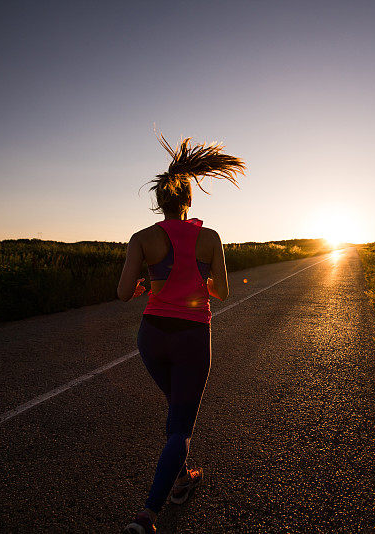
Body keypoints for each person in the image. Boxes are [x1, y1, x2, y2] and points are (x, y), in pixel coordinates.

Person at [117, 134, 244, 534]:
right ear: (189, 199)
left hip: (151, 336)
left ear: (160, 200)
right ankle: (149, 514)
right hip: (192, 337)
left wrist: (144, 285)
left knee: (176, 409)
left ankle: (182, 477)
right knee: (181, 426)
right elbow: (221, 291)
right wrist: (198, 283)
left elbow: (123, 293)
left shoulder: (142, 238)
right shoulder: (210, 238)